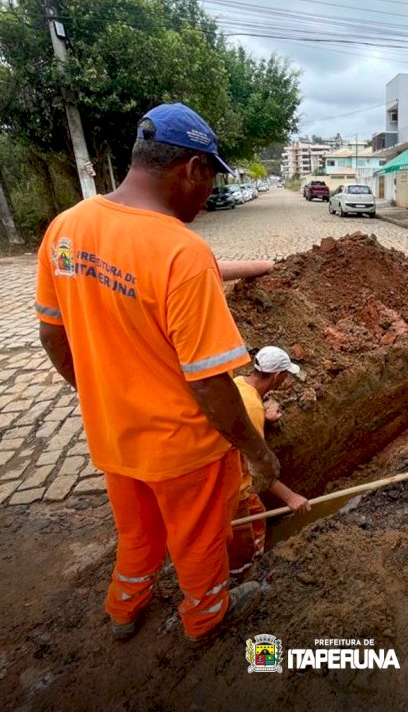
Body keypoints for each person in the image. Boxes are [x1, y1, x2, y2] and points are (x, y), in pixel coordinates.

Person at [35, 102, 281, 644]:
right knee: (199, 541)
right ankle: (205, 617)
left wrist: (95, 393)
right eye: (211, 176)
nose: (209, 190)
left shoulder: (66, 229)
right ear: (191, 168)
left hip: (113, 435)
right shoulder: (182, 252)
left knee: (138, 534)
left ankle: (124, 608)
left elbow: (53, 335)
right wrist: (256, 451)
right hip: (183, 449)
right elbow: (208, 380)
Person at [229, 346, 311, 576]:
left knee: (259, 515)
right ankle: (242, 575)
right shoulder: (253, 407)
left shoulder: (238, 383)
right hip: (234, 488)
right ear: (277, 376)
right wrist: (290, 497)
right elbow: (256, 467)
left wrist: (263, 418)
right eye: (286, 376)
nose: (286, 382)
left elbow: (237, 419)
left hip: (232, 476)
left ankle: (253, 559)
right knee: (242, 544)